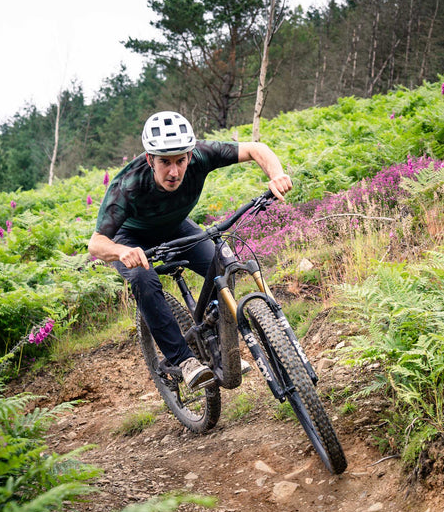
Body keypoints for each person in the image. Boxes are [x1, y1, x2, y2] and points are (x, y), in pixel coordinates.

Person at [89, 111, 292, 390]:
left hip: (176, 225)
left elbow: (257, 149)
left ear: (190, 155)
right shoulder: (128, 185)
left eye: (180, 161)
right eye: (164, 162)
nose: (174, 171)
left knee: (223, 262)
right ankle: (184, 361)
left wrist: (276, 174)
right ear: (150, 159)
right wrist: (121, 251)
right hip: (132, 238)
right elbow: (96, 242)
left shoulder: (202, 154)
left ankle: (219, 345)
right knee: (143, 280)